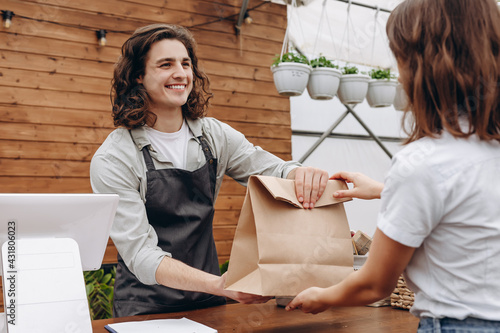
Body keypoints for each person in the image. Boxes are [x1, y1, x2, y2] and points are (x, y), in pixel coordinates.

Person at [286, 0, 500, 332]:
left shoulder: (424, 161)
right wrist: (384, 191)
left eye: (399, 57)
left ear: (422, 66)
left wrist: (322, 296)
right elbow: (472, 208)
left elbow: (374, 284)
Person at [90, 23, 329, 317]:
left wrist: (300, 174)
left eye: (186, 63)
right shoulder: (115, 158)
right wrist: (221, 285)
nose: (180, 73)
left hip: (209, 302)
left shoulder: (214, 136)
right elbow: (141, 255)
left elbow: (274, 171)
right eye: (166, 64)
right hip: (145, 308)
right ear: (138, 75)